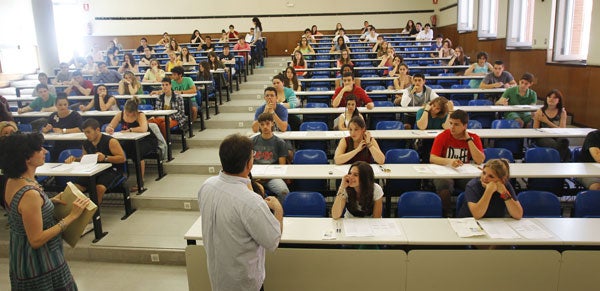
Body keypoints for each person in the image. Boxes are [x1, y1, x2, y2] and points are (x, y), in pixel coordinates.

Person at [1, 132, 90, 290]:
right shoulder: (29, 194)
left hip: (22, 256)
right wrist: (71, 216)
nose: (45, 151)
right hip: (40, 263)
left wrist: (49, 201)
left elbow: (20, 211)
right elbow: (36, 240)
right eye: (40, 149)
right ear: (27, 158)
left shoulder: (12, 180)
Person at [198, 133, 282, 290]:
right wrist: (278, 210)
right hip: (244, 283)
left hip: (218, 276)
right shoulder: (251, 202)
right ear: (249, 164)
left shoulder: (206, 186)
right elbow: (272, 241)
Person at [430, 110, 485, 215]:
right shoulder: (443, 136)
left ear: (465, 126)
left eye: (456, 124)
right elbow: (432, 158)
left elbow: (480, 160)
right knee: (443, 184)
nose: (452, 127)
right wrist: (449, 161)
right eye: (450, 123)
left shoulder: (474, 137)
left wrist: (469, 140)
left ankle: (467, 213)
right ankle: (447, 213)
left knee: (476, 185)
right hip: (445, 170)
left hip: (463, 171)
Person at [65, 118, 127, 204]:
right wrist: (75, 159)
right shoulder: (86, 143)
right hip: (93, 170)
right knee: (74, 187)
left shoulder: (111, 141)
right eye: (85, 132)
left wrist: (105, 157)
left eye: (88, 132)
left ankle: (94, 214)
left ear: (97, 130)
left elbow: (122, 158)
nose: (86, 135)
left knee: (99, 188)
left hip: (112, 170)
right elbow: (85, 158)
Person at [106, 97, 158, 191]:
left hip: (147, 140)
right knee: (117, 150)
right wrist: (109, 129)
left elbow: (143, 129)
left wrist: (130, 130)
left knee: (136, 152)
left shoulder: (140, 115)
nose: (128, 115)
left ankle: (140, 181)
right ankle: (118, 176)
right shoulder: (120, 114)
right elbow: (110, 126)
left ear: (135, 111)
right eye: (126, 113)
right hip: (129, 141)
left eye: (130, 113)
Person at [458, 159, 523, 219]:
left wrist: (504, 193)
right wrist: (489, 191)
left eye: (491, 176)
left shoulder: (505, 186)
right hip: (470, 222)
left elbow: (518, 215)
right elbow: (477, 215)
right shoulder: (472, 185)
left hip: (494, 223)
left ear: (502, 180)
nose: (484, 178)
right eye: (484, 173)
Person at [251, 112, 290, 201]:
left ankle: (278, 212)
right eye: (262, 124)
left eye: (268, 123)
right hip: (255, 176)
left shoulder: (280, 143)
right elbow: (248, 163)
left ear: (273, 123)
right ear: (259, 126)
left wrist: (268, 176)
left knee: (284, 192)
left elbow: (282, 167)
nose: (265, 127)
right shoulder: (252, 141)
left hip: (272, 177)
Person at [41, 93, 83, 161]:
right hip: (58, 145)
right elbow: (43, 129)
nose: (63, 107)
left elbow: (80, 129)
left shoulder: (75, 115)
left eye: (65, 104)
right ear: (56, 105)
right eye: (60, 105)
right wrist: (46, 129)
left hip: (74, 144)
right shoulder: (53, 116)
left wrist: (63, 131)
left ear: (68, 104)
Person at [532, 89, 570, 162]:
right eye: (549, 97)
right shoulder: (540, 111)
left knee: (565, 141)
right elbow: (535, 129)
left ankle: (559, 160)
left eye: (554, 98)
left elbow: (562, 130)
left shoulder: (562, 112)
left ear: (559, 101)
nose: (551, 99)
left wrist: (547, 121)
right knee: (558, 146)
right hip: (543, 136)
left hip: (557, 135)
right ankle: (560, 161)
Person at [415, 97, 454, 163]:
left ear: (441, 110)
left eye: (438, 108)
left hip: (439, 139)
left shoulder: (444, 115)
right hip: (424, 140)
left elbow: (447, 128)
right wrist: (426, 111)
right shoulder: (421, 111)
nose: (434, 109)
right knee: (427, 144)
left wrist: (450, 112)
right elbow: (422, 127)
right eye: (433, 105)